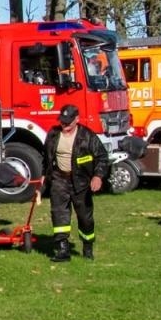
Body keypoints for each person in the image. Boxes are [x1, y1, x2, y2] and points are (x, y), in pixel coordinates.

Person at [39, 103, 109, 261]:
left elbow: (102, 158)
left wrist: (97, 176)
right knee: (59, 214)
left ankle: (87, 246)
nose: (64, 125)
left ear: (77, 119)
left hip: (81, 182)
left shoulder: (87, 136)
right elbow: (46, 158)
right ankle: (62, 250)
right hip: (59, 179)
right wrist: (44, 175)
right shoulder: (53, 134)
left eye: (68, 122)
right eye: (62, 121)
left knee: (85, 217)